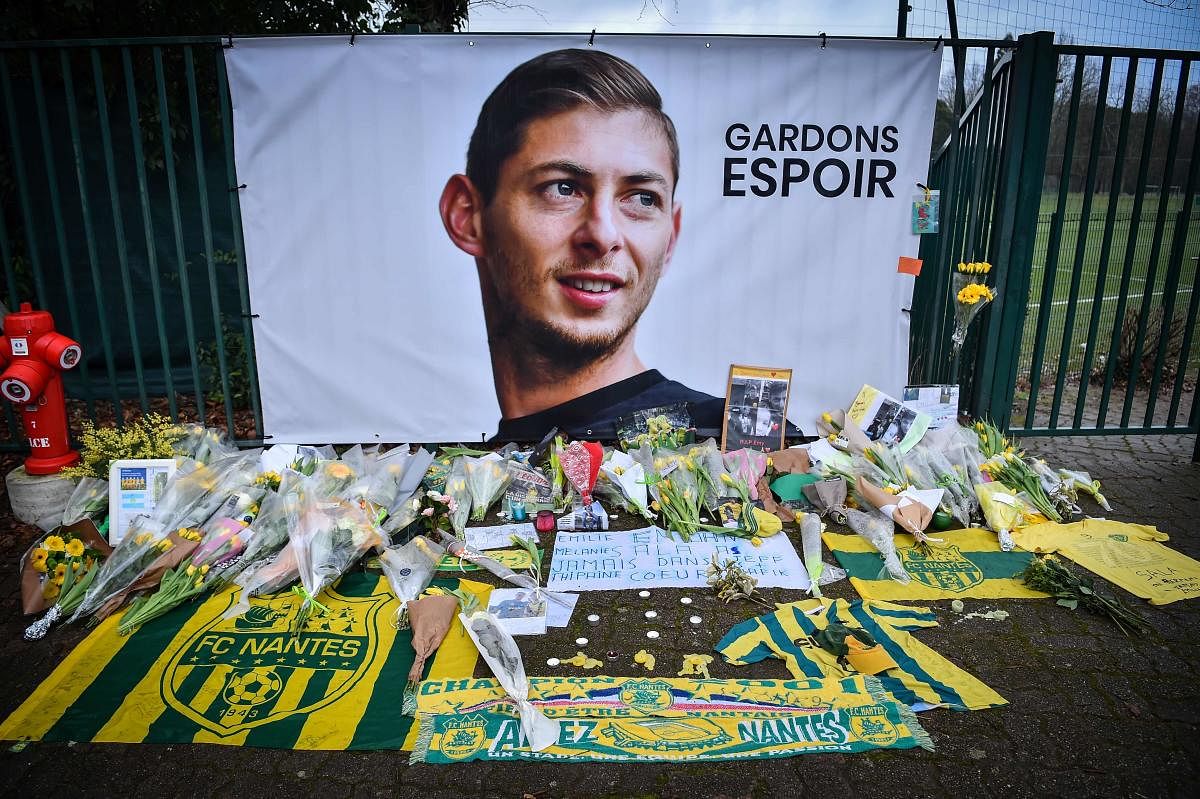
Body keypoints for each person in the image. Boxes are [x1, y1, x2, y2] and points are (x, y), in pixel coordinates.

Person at [438, 48, 725, 441]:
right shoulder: (443, 479)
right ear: (467, 215)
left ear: (670, 237)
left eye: (642, 198)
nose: (603, 235)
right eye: (562, 188)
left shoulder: (736, 454)